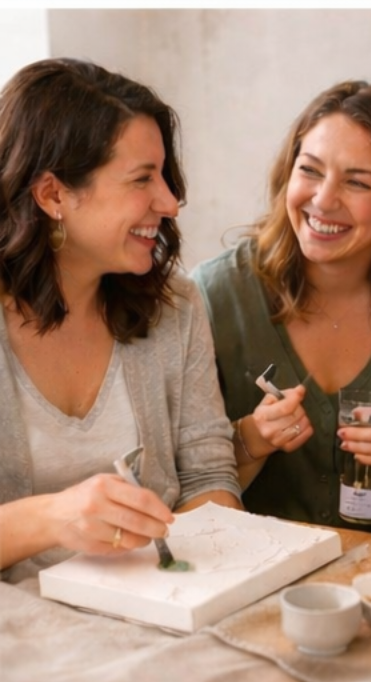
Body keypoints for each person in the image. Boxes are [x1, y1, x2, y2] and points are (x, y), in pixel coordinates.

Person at [192, 80, 371, 547]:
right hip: (269, 563)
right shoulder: (212, 296)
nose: (323, 200)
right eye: (309, 170)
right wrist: (250, 437)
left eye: (357, 182)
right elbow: (180, 480)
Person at [0, 58, 243, 581]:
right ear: (53, 195)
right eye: (142, 179)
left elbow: (208, 477)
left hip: (156, 620)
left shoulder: (175, 309)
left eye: (165, 175)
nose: (171, 202)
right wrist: (53, 518)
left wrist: (193, 587)